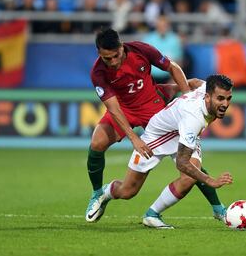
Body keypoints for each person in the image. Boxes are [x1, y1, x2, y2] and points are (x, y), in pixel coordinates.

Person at [86, 27, 227, 222]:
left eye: (116, 56)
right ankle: (97, 193)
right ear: (99, 54)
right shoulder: (98, 73)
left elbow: (173, 68)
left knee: (188, 158)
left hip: (155, 108)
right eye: (107, 58)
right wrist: (134, 138)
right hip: (123, 109)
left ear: (121, 47)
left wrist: (187, 99)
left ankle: (218, 208)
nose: (113, 62)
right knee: (97, 143)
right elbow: (113, 108)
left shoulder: (140, 50)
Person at [100, 74, 234, 229]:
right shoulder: (193, 118)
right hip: (159, 136)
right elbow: (182, 164)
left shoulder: (206, 88)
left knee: (190, 177)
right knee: (128, 191)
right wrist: (210, 180)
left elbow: (197, 82)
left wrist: (186, 94)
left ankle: (152, 215)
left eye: (228, 98)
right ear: (208, 97)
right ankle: (107, 191)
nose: (225, 104)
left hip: (182, 130)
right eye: (220, 99)